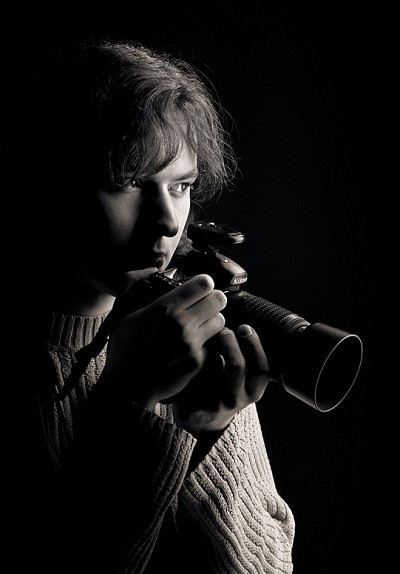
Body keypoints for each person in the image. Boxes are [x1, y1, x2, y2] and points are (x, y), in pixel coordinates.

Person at [2, 39, 295, 573]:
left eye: (181, 186)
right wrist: (130, 399)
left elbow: (269, 563)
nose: (167, 221)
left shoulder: (185, 334)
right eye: (130, 183)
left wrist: (208, 429)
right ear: (52, 183)